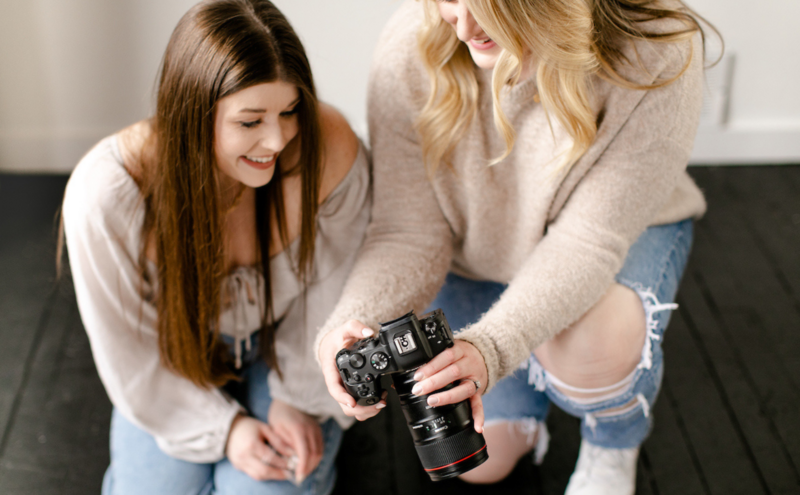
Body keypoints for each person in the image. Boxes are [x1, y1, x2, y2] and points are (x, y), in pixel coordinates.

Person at [316, 0, 714, 493]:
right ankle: (531, 395)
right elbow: (408, 231)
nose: (461, 26)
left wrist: (493, 348)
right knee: (482, 464)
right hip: (484, 253)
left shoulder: (658, 44)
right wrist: (349, 324)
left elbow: (586, 243)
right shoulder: (410, 46)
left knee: (592, 350)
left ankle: (613, 440)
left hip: (615, 235)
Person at [61, 0, 370, 493]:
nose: (276, 140)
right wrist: (227, 431)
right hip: (170, 365)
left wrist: (300, 398)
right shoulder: (107, 194)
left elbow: (335, 293)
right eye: (250, 122)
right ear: (192, 113)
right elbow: (130, 355)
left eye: (289, 111)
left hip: (292, 351)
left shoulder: (328, 149)